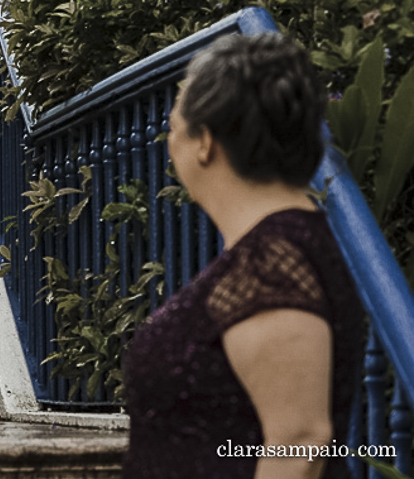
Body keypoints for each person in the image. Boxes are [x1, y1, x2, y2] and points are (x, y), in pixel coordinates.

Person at [122, 33, 364, 478]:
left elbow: (299, 443)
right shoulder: (284, 248)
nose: (169, 142)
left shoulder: (273, 264)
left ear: (205, 142)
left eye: (174, 127)